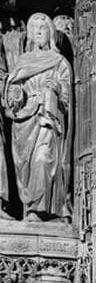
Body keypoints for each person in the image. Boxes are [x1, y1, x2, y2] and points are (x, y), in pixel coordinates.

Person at [4, 13, 73, 222]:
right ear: (30, 34)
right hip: (24, 122)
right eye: (34, 28)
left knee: (43, 159)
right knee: (26, 166)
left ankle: (41, 209)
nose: (39, 31)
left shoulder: (59, 62)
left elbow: (68, 98)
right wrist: (15, 96)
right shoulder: (22, 61)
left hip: (48, 116)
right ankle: (29, 208)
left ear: (50, 32)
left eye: (43, 28)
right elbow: (12, 93)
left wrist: (58, 89)